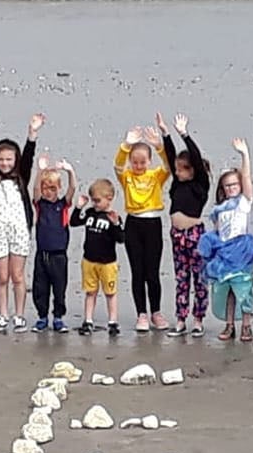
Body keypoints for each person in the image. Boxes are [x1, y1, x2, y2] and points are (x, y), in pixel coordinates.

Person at [0, 113, 43, 331]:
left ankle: (20, 315)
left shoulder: (21, 176)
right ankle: (3, 314)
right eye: (1, 159)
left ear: (15, 160)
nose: (5, 163)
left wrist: (32, 133)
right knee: (2, 276)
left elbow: (29, 157)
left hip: (20, 230)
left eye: (9, 159)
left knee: (17, 276)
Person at [114, 124, 171, 332]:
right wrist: (126, 145)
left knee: (152, 272)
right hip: (133, 224)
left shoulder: (156, 175)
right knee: (137, 271)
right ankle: (142, 314)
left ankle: (156, 312)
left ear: (149, 161)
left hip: (153, 223)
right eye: (135, 161)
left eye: (142, 161)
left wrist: (159, 146)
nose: (138, 165)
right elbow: (118, 166)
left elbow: (168, 166)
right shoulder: (127, 176)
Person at [202, 139, 253, 342]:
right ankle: (229, 325)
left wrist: (244, 155)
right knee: (228, 291)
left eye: (234, 184)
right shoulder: (220, 208)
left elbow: (247, 177)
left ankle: (247, 326)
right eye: (227, 186)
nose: (231, 188)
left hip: (242, 250)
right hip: (225, 252)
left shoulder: (244, 202)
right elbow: (216, 231)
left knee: (244, 289)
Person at [161, 113, 210, 337]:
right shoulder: (177, 185)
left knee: (199, 278)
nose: (178, 172)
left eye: (183, 169)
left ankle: (198, 319)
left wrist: (184, 135)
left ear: (191, 170)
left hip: (195, 235)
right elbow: (171, 158)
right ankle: (181, 319)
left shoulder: (200, 185)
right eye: (177, 169)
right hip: (177, 236)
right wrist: (165, 134)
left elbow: (197, 160)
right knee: (182, 278)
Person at [72, 179, 125, 335]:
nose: (94, 204)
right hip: (89, 260)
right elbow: (74, 222)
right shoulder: (90, 213)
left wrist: (115, 224)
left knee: (110, 292)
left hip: (107, 262)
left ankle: (113, 321)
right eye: (93, 200)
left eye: (97, 200)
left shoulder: (113, 217)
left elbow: (121, 239)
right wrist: (79, 207)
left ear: (109, 198)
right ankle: (88, 320)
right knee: (90, 292)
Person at [32, 158, 77, 332]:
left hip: (59, 255)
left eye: (52, 188)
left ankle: (58, 317)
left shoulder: (63, 205)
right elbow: (35, 189)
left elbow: (72, 188)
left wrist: (69, 171)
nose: (48, 192)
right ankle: (42, 317)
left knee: (59, 288)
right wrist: (40, 171)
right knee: (40, 288)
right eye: (45, 188)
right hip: (42, 254)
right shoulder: (40, 205)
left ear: (58, 188)